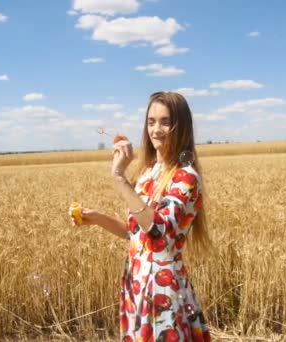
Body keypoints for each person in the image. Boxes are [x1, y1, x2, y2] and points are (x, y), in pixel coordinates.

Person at [70, 91, 211, 341]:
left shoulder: (185, 176)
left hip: (162, 288)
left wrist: (119, 178)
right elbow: (136, 232)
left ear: (183, 126)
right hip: (137, 281)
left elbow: (159, 231)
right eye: (151, 121)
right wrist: (97, 218)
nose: (156, 129)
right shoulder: (148, 173)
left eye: (165, 121)